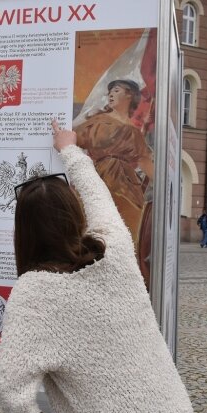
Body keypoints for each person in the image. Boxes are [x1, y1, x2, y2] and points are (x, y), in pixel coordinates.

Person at [0, 119, 204, 413]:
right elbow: (98, 195)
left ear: (24, 233)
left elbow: (12, 393)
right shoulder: (117, 248)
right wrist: (69, 149)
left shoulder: (34, 293)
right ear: (75, 215)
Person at [74, 79, 154, 289]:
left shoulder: (135, 132)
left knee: (127, 236)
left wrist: (165, 183)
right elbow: (75, 139)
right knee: (94, 232)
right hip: (100, 180)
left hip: (129, 188)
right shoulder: (98, 121)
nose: (110, 94)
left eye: (116, 90)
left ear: (129, 95)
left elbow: (146, 163)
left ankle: (125, 285)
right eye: (109, 91)